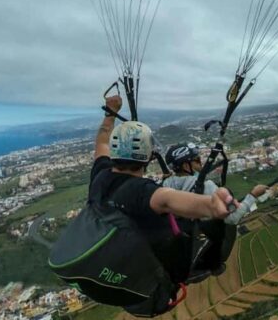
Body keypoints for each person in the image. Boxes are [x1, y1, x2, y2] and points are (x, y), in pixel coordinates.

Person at [90, 95, 233, 285]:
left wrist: (110, 113)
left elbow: (101, 142)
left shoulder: (100, 175)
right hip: (161, 270)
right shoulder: (142, 191)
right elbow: (167, 199)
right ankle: (212, 265)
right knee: (214, 225)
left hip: (120, 256)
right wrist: (210, 205)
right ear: (148, 158)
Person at [163, 142, 268, 279]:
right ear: (185, 165)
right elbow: (233, 218)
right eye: (197, 160)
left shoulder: (164, 186)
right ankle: (215, 265)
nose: (201, 163)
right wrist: (253, 196)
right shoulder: (207, 187)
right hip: (204, 255)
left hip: (179, 252)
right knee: (226, 221)